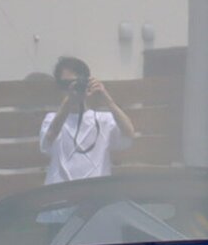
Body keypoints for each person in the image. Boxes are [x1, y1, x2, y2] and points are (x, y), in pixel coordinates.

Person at [39, 56, 137, 184]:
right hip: (60, 195)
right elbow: (49, 139)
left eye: (76, 83)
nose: (72, 88)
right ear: (59, 87)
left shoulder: (104, 120)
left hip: (94, 196)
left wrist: (107, 99)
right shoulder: (52, 119)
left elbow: (129, 133)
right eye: (66, 84)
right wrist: (69, 100)